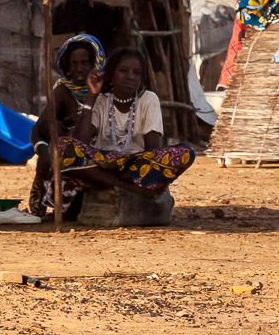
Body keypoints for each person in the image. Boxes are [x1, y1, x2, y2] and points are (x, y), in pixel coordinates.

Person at [38, 47, 195, 215]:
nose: (130, 77)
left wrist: (144, 172)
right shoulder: (101, 100)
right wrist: (91, 97)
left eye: (136, 73)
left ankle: (117, 185)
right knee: (61, 146)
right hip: (102, 164)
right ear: (111, 74)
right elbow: (79, 144)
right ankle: (126, 188)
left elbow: (153, 151)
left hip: (134, 167)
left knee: (185, 153)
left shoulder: (149, 99)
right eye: (123, 71)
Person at [28, 34, 105, 217]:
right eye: (74, 64)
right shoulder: (63, 91)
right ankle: (41, 200)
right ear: (67, 67)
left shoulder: (107, 91)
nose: (80, 69)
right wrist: (43, 150)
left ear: (96, 63)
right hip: (69, 162)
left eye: (85, 63)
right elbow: (38, 130)